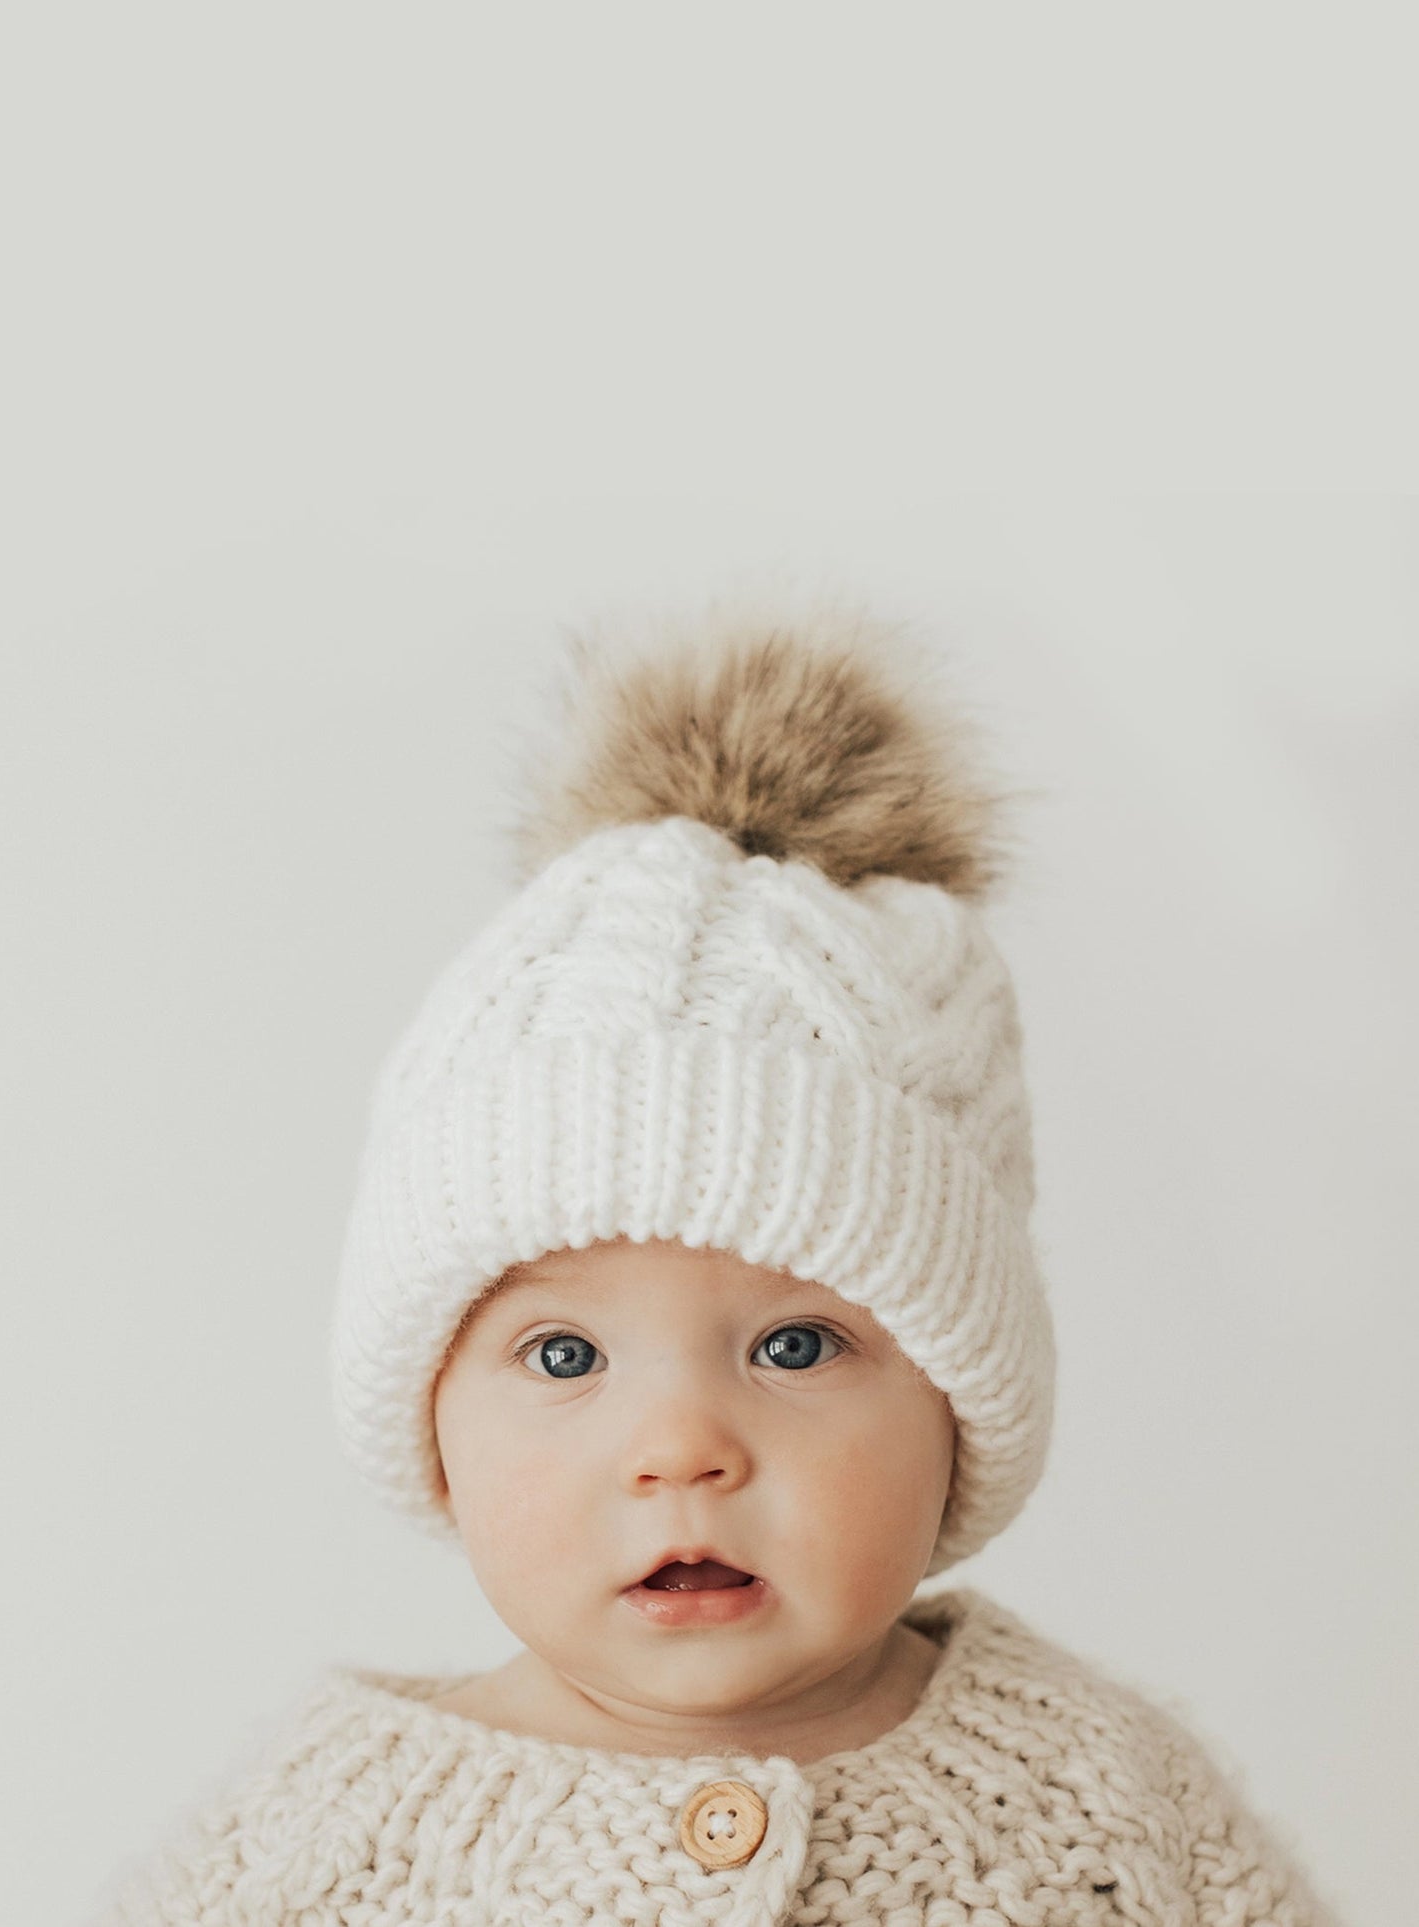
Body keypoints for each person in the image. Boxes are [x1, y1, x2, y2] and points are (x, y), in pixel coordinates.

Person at [92, 599, 1340, 1924]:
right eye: (562, 1355)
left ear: (957, 1415)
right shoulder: (309, 1840)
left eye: (793, 1346)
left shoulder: (1110, 1793)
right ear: (431, 1427)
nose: (680, 1446)